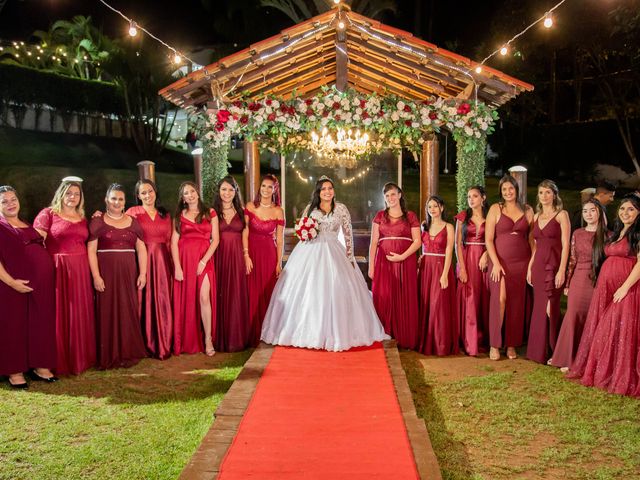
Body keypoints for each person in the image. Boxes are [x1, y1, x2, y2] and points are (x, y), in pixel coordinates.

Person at [261, 176, 388, 351]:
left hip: (333, 250)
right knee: (306, 290)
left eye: (330, 188)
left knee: (335, 288)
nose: (327, 192)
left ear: (333, 191)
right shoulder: (310, 208)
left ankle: (337, 332)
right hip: (309, 250)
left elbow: (348, 233)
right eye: (323, 189)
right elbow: (301, 229)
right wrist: (305, 233)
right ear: (318, 192)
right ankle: (303, 329)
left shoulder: (341, 209)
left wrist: (350, 257)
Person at [568, 194, 640, 397]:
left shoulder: (638, 233)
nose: (626, 213)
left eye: (631, 209)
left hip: (627, 289)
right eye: (623, 209)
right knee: (606, 329)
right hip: (606, 288)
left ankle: (620, 374)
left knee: (618, 329)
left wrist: (625, 288)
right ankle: (606, 370)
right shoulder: (617, 232)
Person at [34, 178, 96, 375]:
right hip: (57, 268)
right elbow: (35, 243)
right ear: (61, 193)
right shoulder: (48, 214)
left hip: (80, 268)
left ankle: (80, 358)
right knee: (58, 312)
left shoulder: (82, 218)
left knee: (78, 311)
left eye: (77, 194)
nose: (73, 197)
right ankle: (56, 360)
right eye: (69, 193)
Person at [0, 186, 57, 388]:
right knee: (14, 326)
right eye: (4, 201)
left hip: (40, 286)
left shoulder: (24, 222)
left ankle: (40, 366)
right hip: (12, 285)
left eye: (13, 199)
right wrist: (11, 282)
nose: (10, 203)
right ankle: (14, 371)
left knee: (39, 323)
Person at [88, 184, 148, 369]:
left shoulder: (133, 221)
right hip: (106, 272)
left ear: (125, 202)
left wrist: (143, 273)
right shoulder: (98, 221)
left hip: (129, 272)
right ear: (107, 200)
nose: (117, 202)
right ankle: (109, 353)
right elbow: (91, 250)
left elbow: (141, 248)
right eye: (113, 198)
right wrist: (96, 276)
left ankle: (127, 351)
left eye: (120, 199)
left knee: (127, 308)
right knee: (107, 309)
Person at [549, 199, 606, 371]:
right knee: (573, 316)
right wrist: (567, 282)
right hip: (578, 279)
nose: (588, 214)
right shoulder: (578, 233)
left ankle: (588, 360)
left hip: (598, 280)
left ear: (600, 213)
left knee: (592, 319)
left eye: (592, 210)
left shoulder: (608, 235)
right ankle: (567, 358)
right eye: (585, 211)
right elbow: (572, 260)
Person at [485, 175, 534, 361]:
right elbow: (488, 240)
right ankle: (494, 344)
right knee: (500, 300)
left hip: (521, 261)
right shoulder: (496, 209)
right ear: (501, 191)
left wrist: (531, 264)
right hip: (500, 261)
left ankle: (511, 344)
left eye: (511, 189)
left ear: (516, 189)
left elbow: (531, 240)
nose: (508, 192)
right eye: (504, 189)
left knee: (516, 303)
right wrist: (495, 263)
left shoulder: (527, 210)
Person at [368, 182, 421, 350]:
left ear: (399, 195)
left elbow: (418, 241)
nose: (390, 198)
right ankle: (385, 335)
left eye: (393, 194)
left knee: (404, 296)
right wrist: (371, 266)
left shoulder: (410, 216)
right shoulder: (380, 216)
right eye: (387, 195)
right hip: (383, 264)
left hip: (406, 262)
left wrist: (402, 256)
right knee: (384, 297)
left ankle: (404, 338)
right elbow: (373, 242)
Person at [126, 180, 173, 360]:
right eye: (143, 193)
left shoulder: (165, 214)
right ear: (138, 196)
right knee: (143, 299)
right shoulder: (132, 213)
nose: (147, 195)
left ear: (155, 192)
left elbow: (169, 241)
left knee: (162, 299)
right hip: (142, 260)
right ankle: (145, 343)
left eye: (150, 191)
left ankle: (164, 341)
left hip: (162, 261)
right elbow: (117, 224)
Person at [172, 181, 219, 356]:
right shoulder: (179, 216)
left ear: (197, 193)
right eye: (186, 193)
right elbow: (173, 243)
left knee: (204, 297)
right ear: (183, 198)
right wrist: (177, 266)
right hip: (185, 260)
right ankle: (189, 337)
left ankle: (208, 338)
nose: (190, 195)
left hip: (204, 260)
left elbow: (216, 240)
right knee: (189, 298)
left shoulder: (210, 213)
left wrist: (203, 261)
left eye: (192, 191)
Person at [526, 180, 571, 364]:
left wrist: (562, 270)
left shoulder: (562, 215)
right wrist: (530, 266)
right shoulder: (536, 217)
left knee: (551, 308)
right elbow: (535, 245)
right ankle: (538, 352)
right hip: (537, 266)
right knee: (539, 308)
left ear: (555, 195)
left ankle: (558, 351)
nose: (544, 196)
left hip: (553, 266)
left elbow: (566, 244)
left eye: (548, 192)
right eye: (541, 192)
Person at [243, 174, 285, 347]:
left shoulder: (278, 210)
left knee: (267, 293)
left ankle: (267, 333)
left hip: (269, 254)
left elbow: (280, 239)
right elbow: (244, 231)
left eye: (270, 187)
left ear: (275, 190)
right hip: (252, 253)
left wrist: (278, 262)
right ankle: (251, 333)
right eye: (264, 186)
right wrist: (246, 255)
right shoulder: (250, 206)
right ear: (259, 188)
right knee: (251, 292)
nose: (266, 189)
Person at [213, 176, 250, 352]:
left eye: (230, 189)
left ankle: (237, 338)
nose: (227, 193)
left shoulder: (242, 211)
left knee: (236, 293)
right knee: (220, 292)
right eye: (223, 189)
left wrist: (246, 255)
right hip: (219, 256)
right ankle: (220, 338)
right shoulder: (212, 212)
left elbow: (245, 235)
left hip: (236, 256)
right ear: (219, 192)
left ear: (236, 192)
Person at [418, 195, 458, 356]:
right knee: (426, 304)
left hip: (441, 267)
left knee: (438, 305)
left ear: (441, 207)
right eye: (429, 207)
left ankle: (440, 344)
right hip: (426, 269)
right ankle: (426, 343)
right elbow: (423, 247)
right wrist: (422, 259)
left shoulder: (448, 227)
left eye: (435, 206)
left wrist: (445, 274)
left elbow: (450, 250)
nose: (432, 209)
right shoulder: (424, 226)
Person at [455, 185, 490, 356]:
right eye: (469, 196)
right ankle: (470, 342)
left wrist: (487, 254)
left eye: (475, 196)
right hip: (467, 259)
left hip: (485, 262)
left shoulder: (491, 215)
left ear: (483, 198)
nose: (471, 199)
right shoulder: (462, 216)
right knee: (470, 300)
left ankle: (484, 339)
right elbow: (457, 244)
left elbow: (495, 239)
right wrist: (462, 267)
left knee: (484, 299)